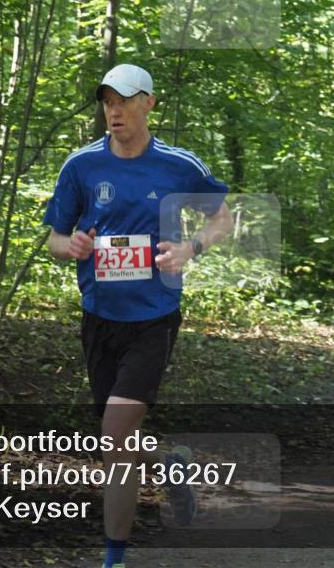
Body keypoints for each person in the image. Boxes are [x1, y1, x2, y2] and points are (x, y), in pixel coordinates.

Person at [43, 63, 232, 568]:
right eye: (107, 101)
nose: (113, 109)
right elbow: (53, 238)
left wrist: (191, 247)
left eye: (124, 99)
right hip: (99, 317)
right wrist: (72, 246)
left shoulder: (177, 165)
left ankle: (114, 558)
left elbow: (223, 217)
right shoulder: (81, 166)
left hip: (154, 316)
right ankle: (173, 469)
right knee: (117, 443)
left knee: (115, 435)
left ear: (148, 102)